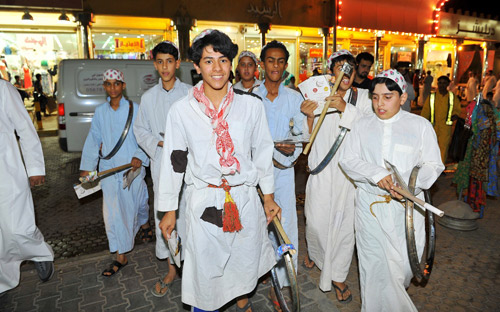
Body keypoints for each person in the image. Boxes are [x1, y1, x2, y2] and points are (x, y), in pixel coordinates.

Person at [157, 29, 281, 312]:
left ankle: (241, 301)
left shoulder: (251, 106)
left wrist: (269, 197)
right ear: (197, 67)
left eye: (223, 60)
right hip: (204, 203)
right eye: (209, 61)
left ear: (231, 65)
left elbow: (262, 153)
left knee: (242, 264)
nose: (217, 68)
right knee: (205, 276)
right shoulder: (182, 110)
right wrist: (169, 210)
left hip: (245, 201)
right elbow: (175, 162)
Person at [339, 69, 444, 312]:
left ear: (403, 98)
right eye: (375, 97)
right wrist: (377, 175)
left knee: (402, 270)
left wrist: (408, 185)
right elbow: (348, 160)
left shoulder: (419, 126)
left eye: (387, 97)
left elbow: (433, 165)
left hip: (407, 210)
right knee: (375, 269)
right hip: (370, 207)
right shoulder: (362, 125)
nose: (380, 104)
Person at [300, 49, 373, 303]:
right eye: (340, 67)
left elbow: (370, 130)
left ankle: (338, 275)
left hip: (348, 178)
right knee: (317, 222)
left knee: (343, 228)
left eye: (350, 68)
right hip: (321, 172)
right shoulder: (317, 94)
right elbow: (306, 138)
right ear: (331, 71)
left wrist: (345, 109)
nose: (345, 72)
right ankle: (317, 255)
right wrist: (308, 117)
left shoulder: (362, 98)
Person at [133, 41, 191, 296]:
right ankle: (171, 269)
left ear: (177, 64)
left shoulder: (190, 93)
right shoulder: (148, 98)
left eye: (170, 61)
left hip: (190, 168)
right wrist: (159, 141)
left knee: (190, 216)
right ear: (155, 64)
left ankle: (192, 268)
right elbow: (140, 130)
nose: (165, 66)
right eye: (160, 61)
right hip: (161, 166)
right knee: (166, 219)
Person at [80, 69, 150, 277]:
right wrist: (87, 166)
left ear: (123, 85)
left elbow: (144, 135)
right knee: (113, 213)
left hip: (132, 169)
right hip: (108, 170)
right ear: (104, 87)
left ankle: (144, 222)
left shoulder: (135, 109)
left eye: (116, 83)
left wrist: (139, 155)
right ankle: (121, 255)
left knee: (138, 203)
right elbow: (94, 139)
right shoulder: (100, 111)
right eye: (108, 84)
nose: (112, 88)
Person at [253, 40, 305, 311]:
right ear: (263, 64)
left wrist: (289, 152)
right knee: (258, 227)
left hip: (283, 173)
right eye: (270, 60)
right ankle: (262, 271)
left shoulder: (294, 98)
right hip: (255, 176)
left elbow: (301, 136)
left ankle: (285, 284)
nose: (275, 65)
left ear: (286, 65)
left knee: (285, 228)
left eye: (280, 61)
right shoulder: (250, 97)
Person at [0, 79, 54, 294]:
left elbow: (25, 128)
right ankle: (4, 281)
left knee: (16, 227)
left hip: (7, 173)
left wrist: (35, 168)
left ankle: (40, 254)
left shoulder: (3, 89)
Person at [420, 75, 461, 164]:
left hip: (445, 127)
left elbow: (457, 109)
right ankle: (431, 165)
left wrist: (455, 115)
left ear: (448, 84)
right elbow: (426, 111)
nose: (442, 85)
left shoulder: (452, 97)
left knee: (443, 147)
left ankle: (440, 167)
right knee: (432, 147)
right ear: (437, 84)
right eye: (440, 83)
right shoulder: (432, 97)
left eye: (444, 83)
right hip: (432, 127)